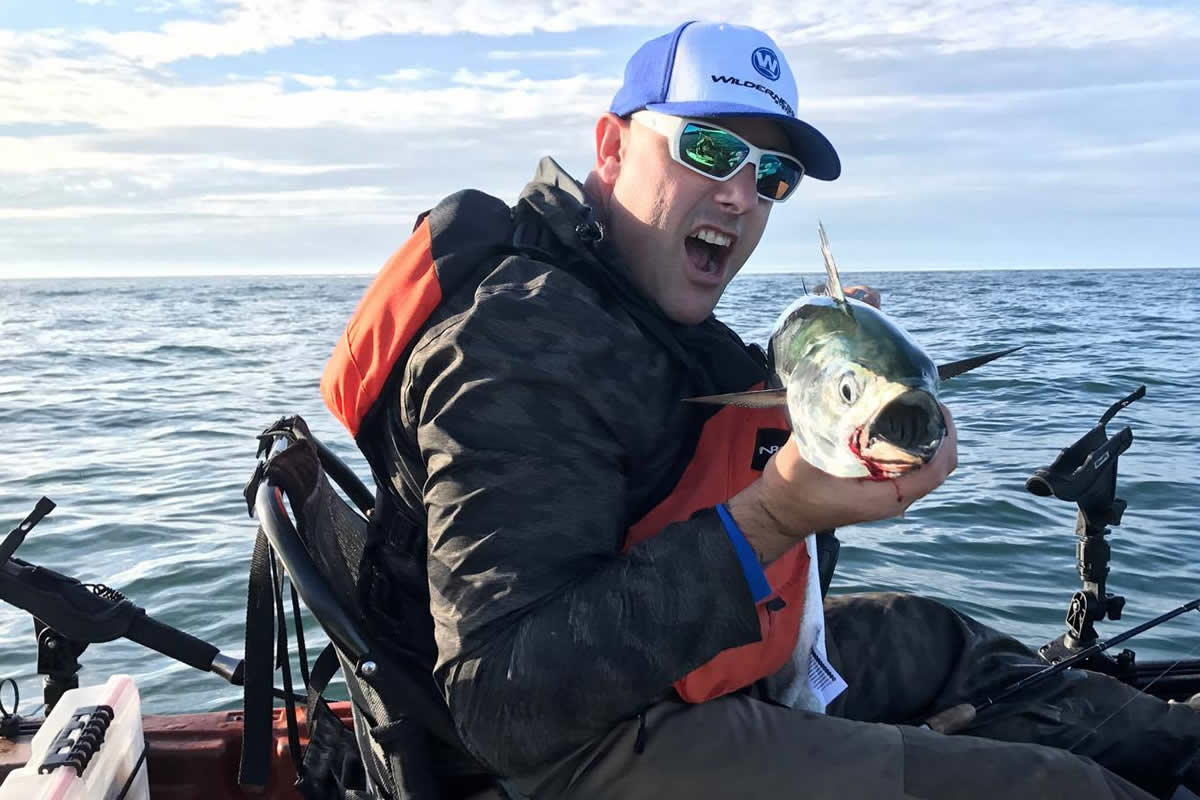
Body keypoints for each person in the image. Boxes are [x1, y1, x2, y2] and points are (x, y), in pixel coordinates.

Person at [321, 20, 1200, 800]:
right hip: (559, 752)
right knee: (1063, 788)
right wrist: (772, 515)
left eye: (771, 175)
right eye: (705, 150)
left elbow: (706, 479)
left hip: (666, 672)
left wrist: (824, 425)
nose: (742, 196)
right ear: (613, 147)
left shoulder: (634, 306)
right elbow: (504, 698)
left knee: (934, 639)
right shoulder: (517, 344)